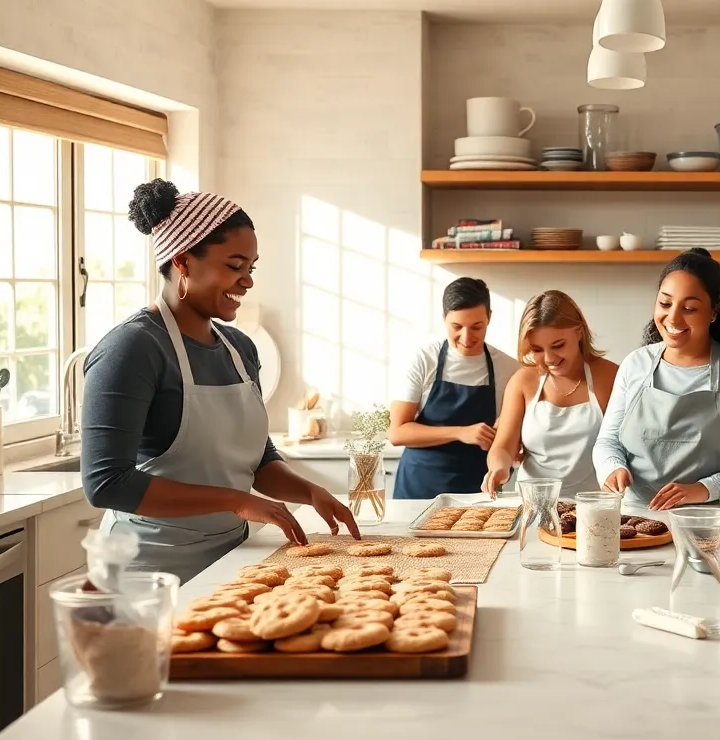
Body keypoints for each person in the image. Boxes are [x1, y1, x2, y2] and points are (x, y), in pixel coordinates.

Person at [82, 179, 359, 583]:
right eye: (234, 266)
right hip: (146, 574)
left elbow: (256, 458)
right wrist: (237, 502)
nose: (247, 281)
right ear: (183, 262)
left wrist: (309, 491)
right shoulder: (132, 349)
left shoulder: (241, 348)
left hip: (236, 561)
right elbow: (106, 484)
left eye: (251, 268)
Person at [593, 248, 720, 510]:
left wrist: (704, 489)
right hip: (636, 515)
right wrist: (612, 468)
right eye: (665, 303)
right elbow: (607, 441)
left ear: (714, 312)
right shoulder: (635, 364)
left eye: (690, 308)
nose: (673, 318)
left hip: (711, 517)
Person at [389, 277, 520, 499]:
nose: (467, 337)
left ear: (489, 317)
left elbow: (511, 435)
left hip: (476, 491)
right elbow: (397, 432)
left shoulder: (508, 368)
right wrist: (461, 432)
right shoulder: (424, 360)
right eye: (457, 327)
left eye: (477, 327)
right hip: (419, 488)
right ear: (444, 319)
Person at [481, 291, 619, 497]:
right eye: (536, 349)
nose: (548, 358)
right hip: (533, 504)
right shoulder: (523, 381)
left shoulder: (611, 376)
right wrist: (499, 469)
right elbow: (503, 447)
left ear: (579, 331)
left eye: (558, 346)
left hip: (593, 505)